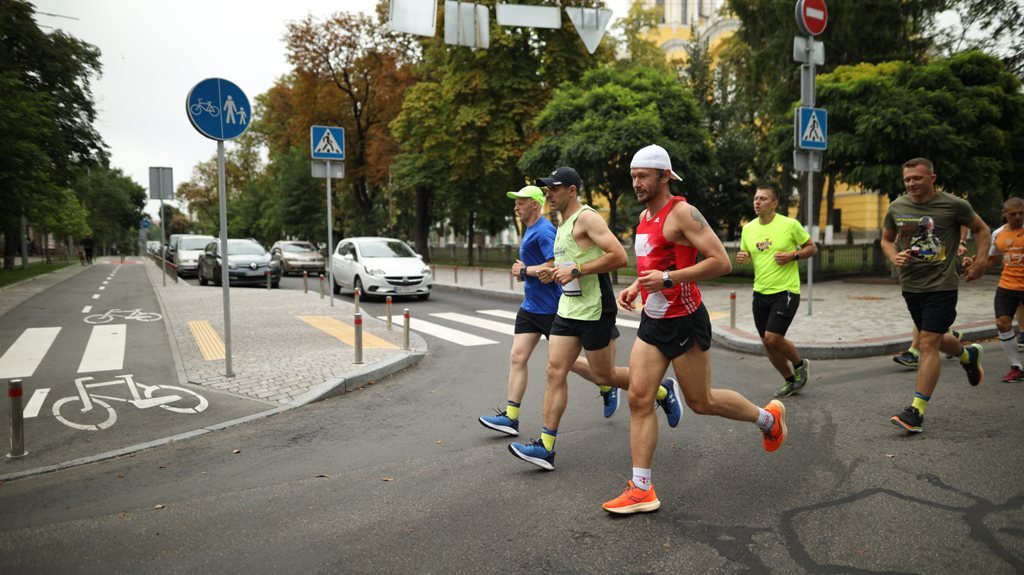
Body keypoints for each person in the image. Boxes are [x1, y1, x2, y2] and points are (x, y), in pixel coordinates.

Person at [601, 145, 787, 514]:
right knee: (639, 399)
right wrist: (637, 285)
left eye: (643, 176)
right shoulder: (644, 217)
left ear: (664, 176)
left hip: (685, 320)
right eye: (633, 176)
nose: (636, 182)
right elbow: (654, 264)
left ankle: (768, 418)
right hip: (653, 322)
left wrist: (668, 278)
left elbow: (721, 262)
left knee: (702, 402)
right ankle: (642, 489)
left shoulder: (683, 213)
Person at [507, 167, 683, 471]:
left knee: (605, 375)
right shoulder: (561, 223)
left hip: (595, 308)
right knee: (554, 370)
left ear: (572, 190)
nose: (549, 194)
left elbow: (619, 257)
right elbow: (569, 262)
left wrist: (577, 270)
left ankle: (663, 390)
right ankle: (545, 447)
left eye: (555, 188)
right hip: (568, 308)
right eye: (547, 190)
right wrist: (554, 273)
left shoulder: (587, 217)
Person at [881, 157, 990, 433]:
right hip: (911, 286)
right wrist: (894, 257)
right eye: (907, 179)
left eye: (917, 178)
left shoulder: (954, 205)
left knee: (928, 343)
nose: (911, 183)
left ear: (932, 178)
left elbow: (982, 229)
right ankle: (967, 355)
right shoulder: (897, 206)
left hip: (942, 285)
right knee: (936, 338)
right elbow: (886, 239)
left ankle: (915, 412)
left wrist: (980, 261)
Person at [735, 185, 817, 397]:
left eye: (763, 198)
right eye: (755, 198)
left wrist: (792, 256)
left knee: (773, 338)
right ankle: (789, 380)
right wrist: (743, 257)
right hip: (760, 291)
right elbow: (749, 255)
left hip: (786, 291)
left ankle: (799, 364)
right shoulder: (748, 229)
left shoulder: (790, 225)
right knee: (767, 343)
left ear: (774, 203)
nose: (757, 202)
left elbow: (812, 248)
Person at [967, 197, 1024, 383]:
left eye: (1022, 213)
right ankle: (1016, 366)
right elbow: (992, 259)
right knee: (1002, 323)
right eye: (1013, 214)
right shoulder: (998, 234)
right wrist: (976, 263)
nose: (1018, 217)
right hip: (1007, 286)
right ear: (1004, 214)